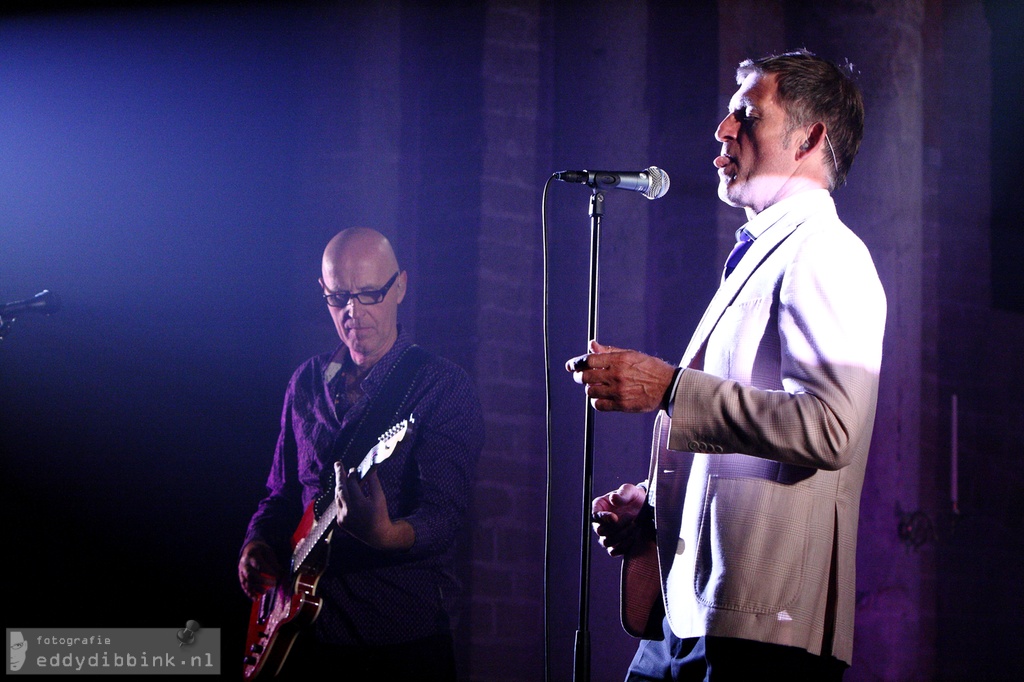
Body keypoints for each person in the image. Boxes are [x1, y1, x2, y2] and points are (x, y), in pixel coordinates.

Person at [566, 50, 886, 680]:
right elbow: (740, 446)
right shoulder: (765, 250)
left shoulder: (828, 253)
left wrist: (669, 388)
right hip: (695, 614)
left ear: (811, 136)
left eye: (746, 114)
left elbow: (831, 427)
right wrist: (660, 508)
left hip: (761, 631)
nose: (722, 130)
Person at [239, 227, 484, 680]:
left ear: (401, 287)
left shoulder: (441, 387)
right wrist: (255, 543)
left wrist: (388, 535)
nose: (353, 313)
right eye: (338, 298)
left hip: (395, 639)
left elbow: (445, 514)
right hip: (300, 640)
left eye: (370, 294)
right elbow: (281, 492)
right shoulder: (306, 382)